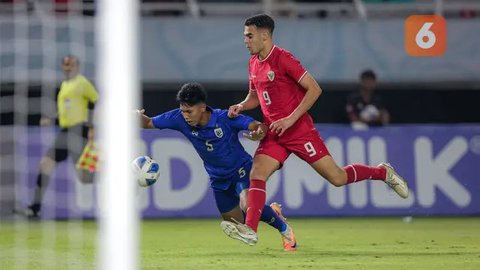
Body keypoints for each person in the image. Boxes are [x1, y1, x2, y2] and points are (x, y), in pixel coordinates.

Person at [224, 14, 409, 246]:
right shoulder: (253, 62)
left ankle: (383, 172)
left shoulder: (284, 59)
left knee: (338, 178)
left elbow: (314, 89)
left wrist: (290, 119)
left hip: (299, 130)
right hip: (275, 132)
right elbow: (255, 96)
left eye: (249, 36)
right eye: (245, 36)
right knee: (257, 174)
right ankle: (250, 229)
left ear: (264, 35)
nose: (245, 41)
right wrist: (241, 106)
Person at [138, 82, 297, 251]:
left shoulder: (224, 118)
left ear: (202, 107)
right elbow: (148, 123)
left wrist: (258, 132)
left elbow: (257, 126)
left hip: (242, 170)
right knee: (235, 224)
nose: (185, 115)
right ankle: (272, 211)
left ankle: (285, 230)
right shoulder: (178, 118)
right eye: (183, 110)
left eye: (189, 111)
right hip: (218, 179)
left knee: (247, 204)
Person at [17, 55, 99, 218]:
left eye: (71, 64)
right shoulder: (65, 85)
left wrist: (91, 127)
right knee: (46, 164)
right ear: (62, 66)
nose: (68, 67)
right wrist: (51, 119)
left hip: (79, 130)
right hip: (66, 130)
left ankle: (121, 182)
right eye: (66, 64)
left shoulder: (82, 83)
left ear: (77, 66)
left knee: (85, 177)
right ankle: (34, 208)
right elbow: (66, 111)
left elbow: (95, 102)